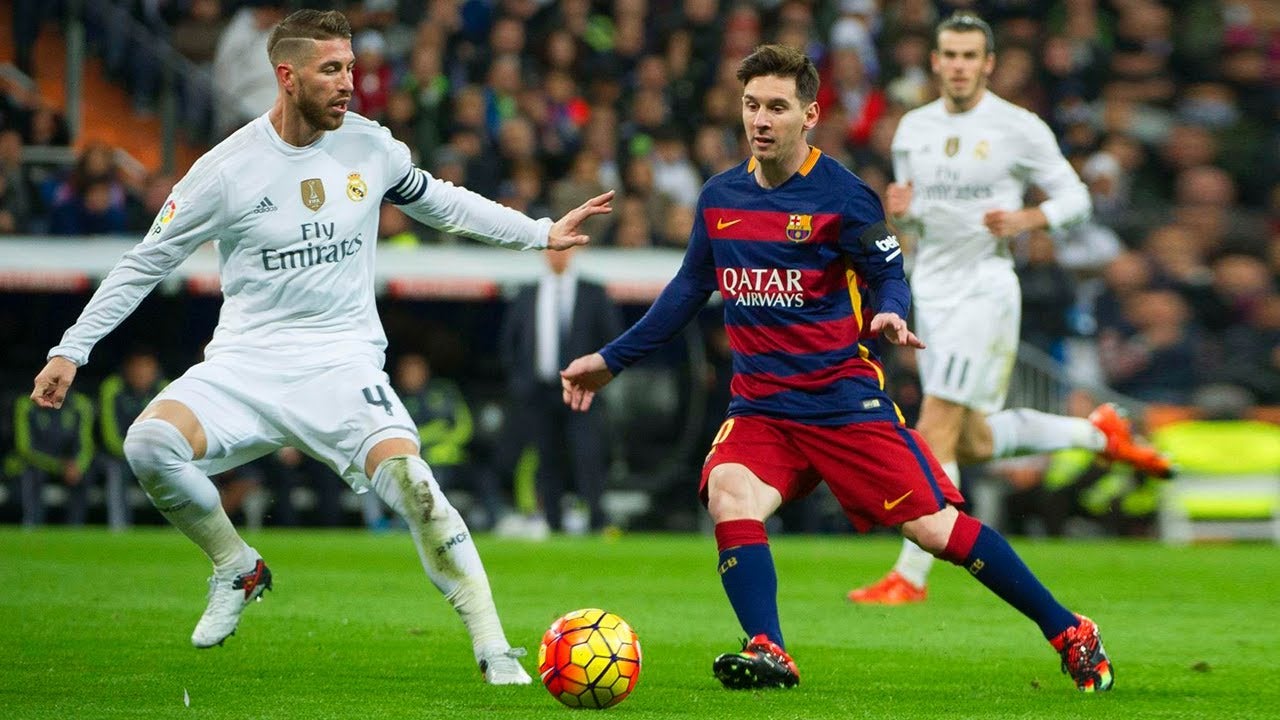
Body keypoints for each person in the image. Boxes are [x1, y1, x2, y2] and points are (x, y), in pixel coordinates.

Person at [30, 9, 611, 684]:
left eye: (352, 68)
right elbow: (144, 261)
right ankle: (236, 566)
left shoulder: (371, 147)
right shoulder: (226, 170)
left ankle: (492, 647)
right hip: (246, 365)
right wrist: (73, 348)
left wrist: (538, 232)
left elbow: (446, 203)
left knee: (416, 486)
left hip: (340, 364)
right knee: (147, 446)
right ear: (287, 76)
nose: (348, 84)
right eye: (331, 70)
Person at [560, 43, 1113, 693]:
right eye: (750, 106)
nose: (760, 120)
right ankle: (769, 648)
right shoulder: (720, 197)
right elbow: (686, 292)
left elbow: (887, 272)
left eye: (776, 107)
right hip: (762, 407)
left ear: (810, 114)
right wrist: (609, 361)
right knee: (729, 493)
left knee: (936, 530)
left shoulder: (844, 196)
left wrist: (888, 313)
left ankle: (1069, 629)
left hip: (842, 400)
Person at [847, 13, 1172, 606]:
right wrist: (903, 210)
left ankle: (910, 575)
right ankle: (1094, 432)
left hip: (985, 291)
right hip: (933, 289)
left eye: (971, 55)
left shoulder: (1018, 127)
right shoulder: (912, 130)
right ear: (936, 61)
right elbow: (916, 220)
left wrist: (1029, 219)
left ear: (988, 63)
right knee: (968, 442)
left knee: (935, 425)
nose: (960, 65)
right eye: (950, 54)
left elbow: (1075, 196)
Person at [501, 246, 623, 533]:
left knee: (588, 454)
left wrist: (597, 379)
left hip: (583, 391)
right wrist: (522, 382)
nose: (557, 255)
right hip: (540, 392)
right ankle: (553, 520)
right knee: (546, 457)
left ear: (575, 252)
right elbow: (510, 343)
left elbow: (612, 338)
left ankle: (596, 518)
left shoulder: (593, 292)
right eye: (551, 249)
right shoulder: (528, 293)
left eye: (563, 249)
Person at [95, 348, 169, 530]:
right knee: (115, 470)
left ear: (155, 370)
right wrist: (135, 453)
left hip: (156, 455)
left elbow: (172, 430)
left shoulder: (166, 388)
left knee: (177, 467)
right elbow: (109, 434)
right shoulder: (112, 387)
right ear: (127, 369)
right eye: (137, 368)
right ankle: (119, 528)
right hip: (118, 455)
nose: (141, 373)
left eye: (147, 368)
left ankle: (176, 529)